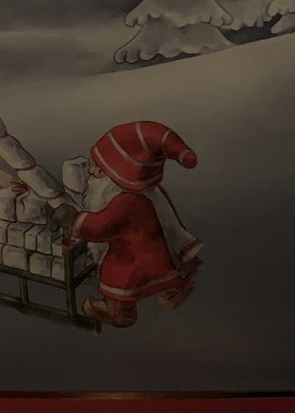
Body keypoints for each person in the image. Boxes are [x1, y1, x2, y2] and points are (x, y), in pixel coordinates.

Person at [52, 121, 202, 327]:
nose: (92, 171)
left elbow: (100, 227)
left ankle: (118, 312)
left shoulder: (125, 203)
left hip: (132, 261)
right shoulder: (149, 194)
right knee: (156, 277)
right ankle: (177, 289)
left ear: (119, 176)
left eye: (100, 169)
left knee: (120, 281)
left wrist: (72, 218)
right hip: (154, 254)